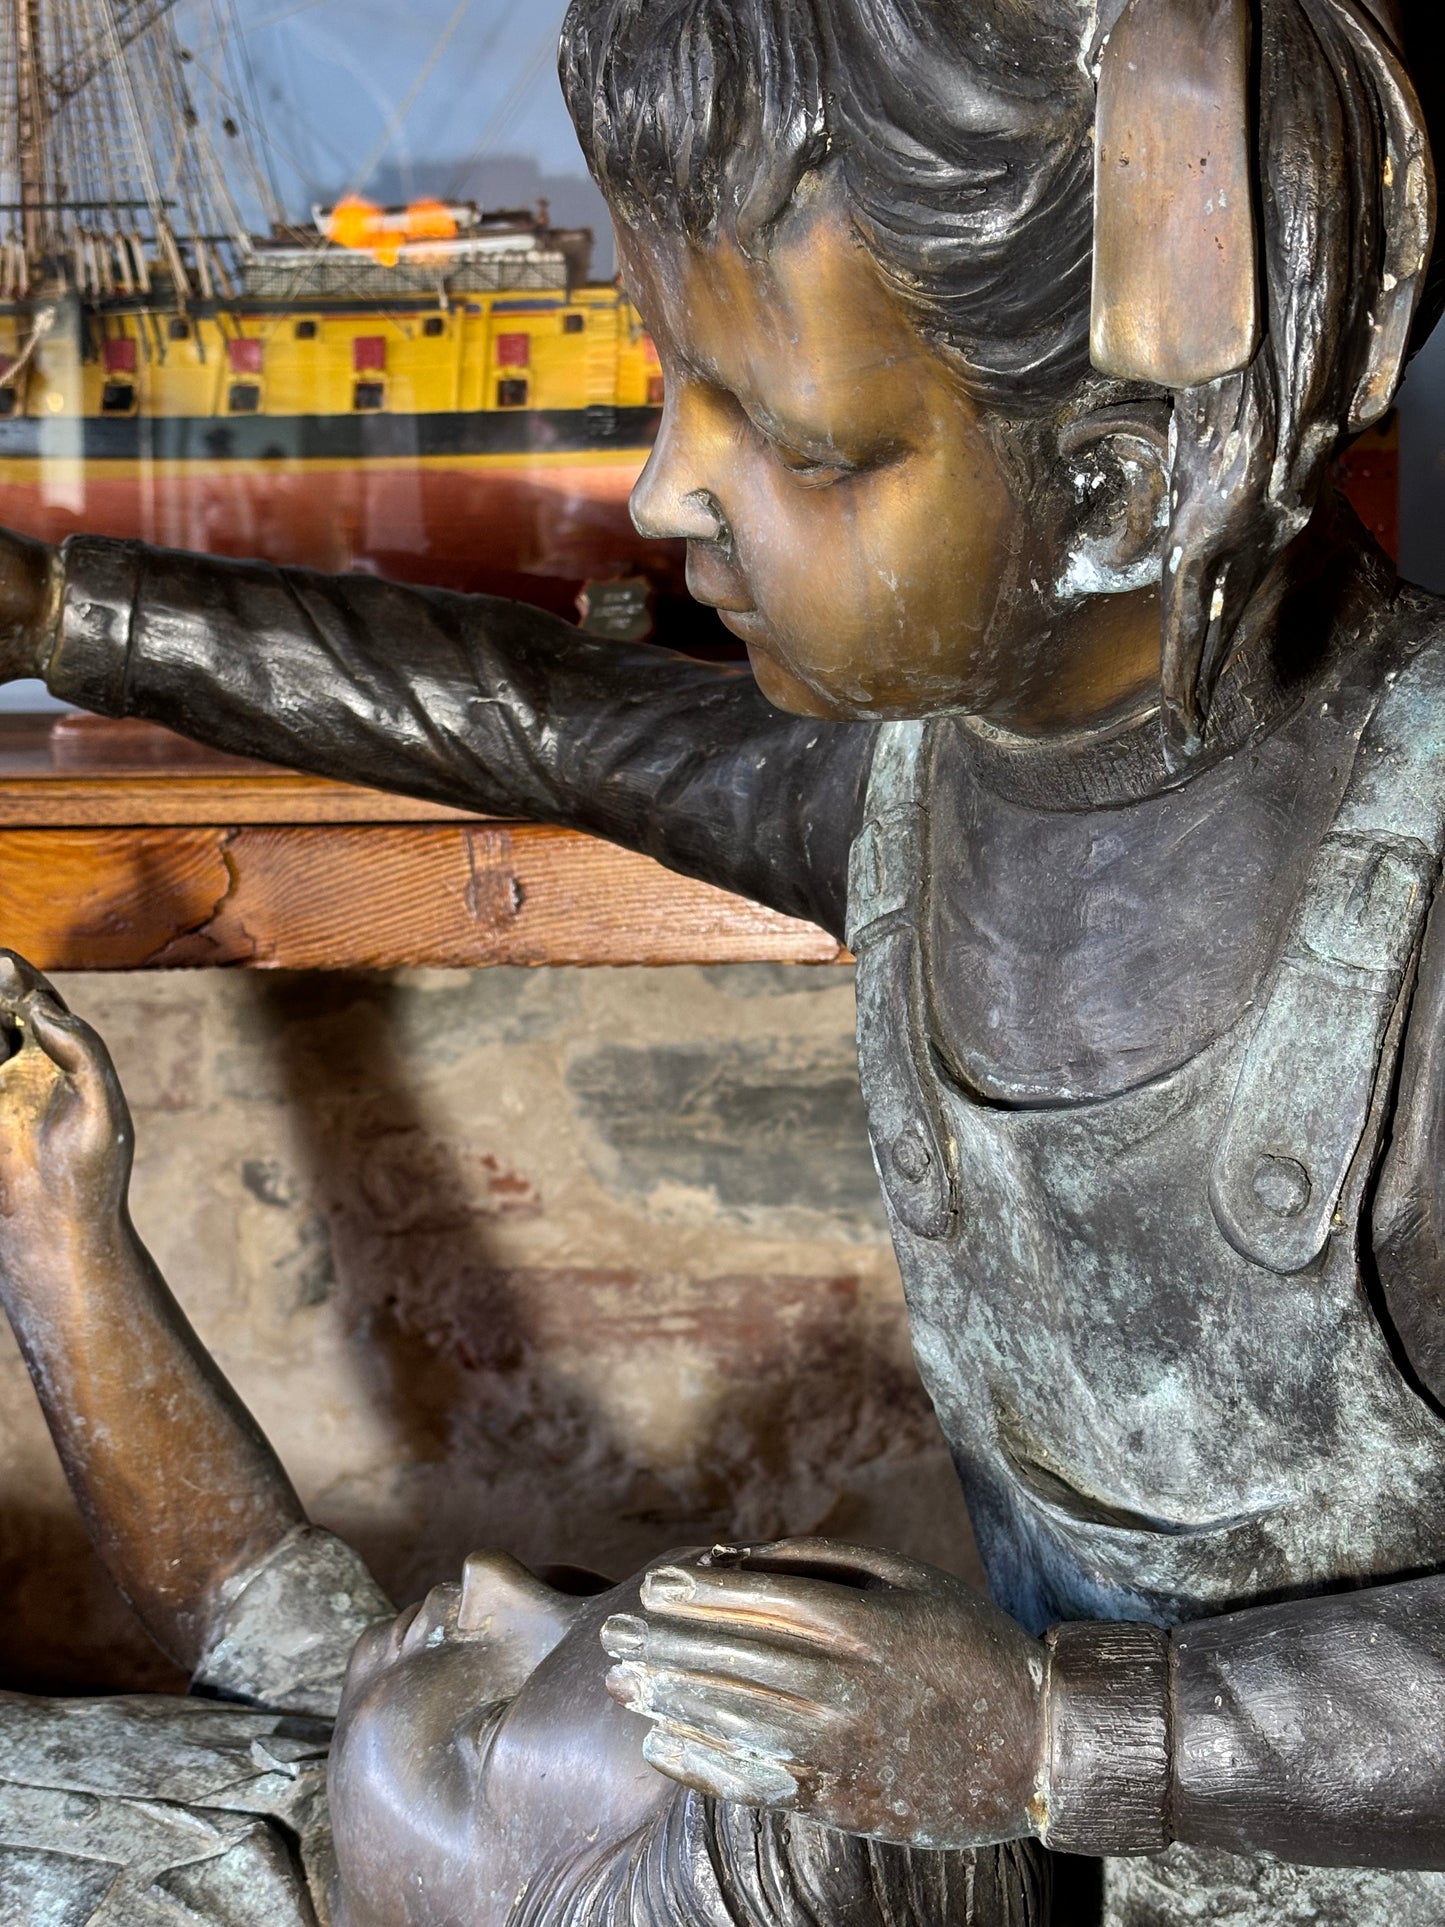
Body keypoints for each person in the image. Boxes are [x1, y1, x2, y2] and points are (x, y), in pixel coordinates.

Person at [0, 0, 1440, 1919]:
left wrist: (1060, 1739)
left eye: (787, 434)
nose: (666, 490)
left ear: (1110, 490)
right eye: (685, 383)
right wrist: (67, 607)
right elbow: (520, 713)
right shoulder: (923, 788)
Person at [0, 949, 1044, 1925]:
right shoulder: (362, 1802)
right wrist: (54, 1231)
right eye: (583, 1593)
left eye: (486, 1728)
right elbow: (237, 1573)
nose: (493, 1580)